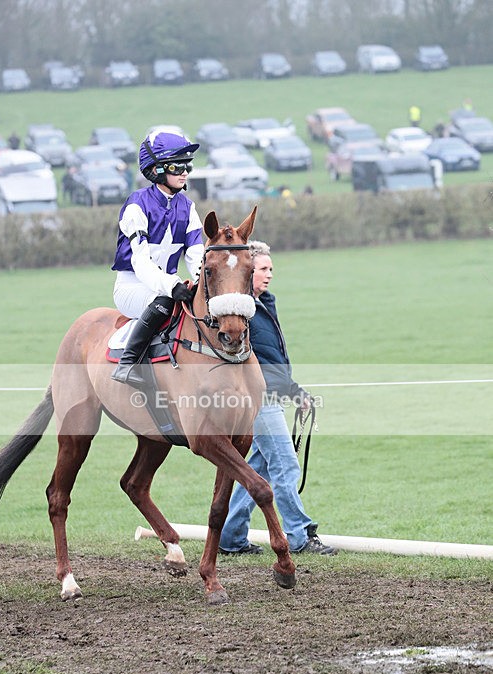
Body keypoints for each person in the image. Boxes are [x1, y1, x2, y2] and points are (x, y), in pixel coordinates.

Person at [219, 241, 337, 557]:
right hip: (258, 401)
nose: (270, 274)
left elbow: (273, 360)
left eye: (271, 269)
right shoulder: (241, 312)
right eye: (263, 269)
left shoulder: (264, 304)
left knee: (257, 470)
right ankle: (300, 536)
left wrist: (295, 392)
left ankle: (229, 538)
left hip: (270, 396)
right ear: (247, 272)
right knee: (285, 465)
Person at [111, 130, 204, 388]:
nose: (184, 172)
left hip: (169, 284)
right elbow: (140, 262)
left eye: (188, 166)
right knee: (163, 300)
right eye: (177, 166)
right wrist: (171, 286)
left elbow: (196, 253)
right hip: (133, 286)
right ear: (157, 170)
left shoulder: (188, 207)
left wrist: (200, 283)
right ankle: (127, 363)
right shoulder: (136, 205)